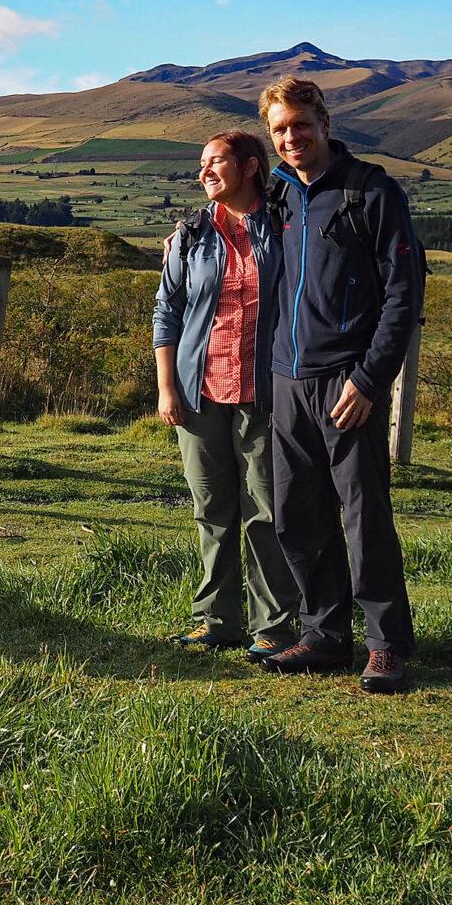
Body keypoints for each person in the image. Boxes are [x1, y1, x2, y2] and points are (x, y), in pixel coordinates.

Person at [257, 76, 421, 693]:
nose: (292, 137)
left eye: (300, 124)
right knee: (297, 516)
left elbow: (403, 297)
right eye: (280, 129)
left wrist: (372, 378)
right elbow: (227, 214)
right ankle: (324, 636)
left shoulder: (371, 193)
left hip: (349, 383)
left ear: (325, 121)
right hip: (285, 379)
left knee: (363, 515)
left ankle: (385, 645)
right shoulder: (278, 195)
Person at [153, 131, 299, 662]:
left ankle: (276, 628)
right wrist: (167, 386)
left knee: (266, 510)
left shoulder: (285, 226)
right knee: (211, 509)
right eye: (201, 163)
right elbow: (167, 311)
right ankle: (216, 620)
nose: (205, 172)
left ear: (252, 167)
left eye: (216, 162)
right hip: (199, 394)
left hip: (266, 393)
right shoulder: (192, 234)